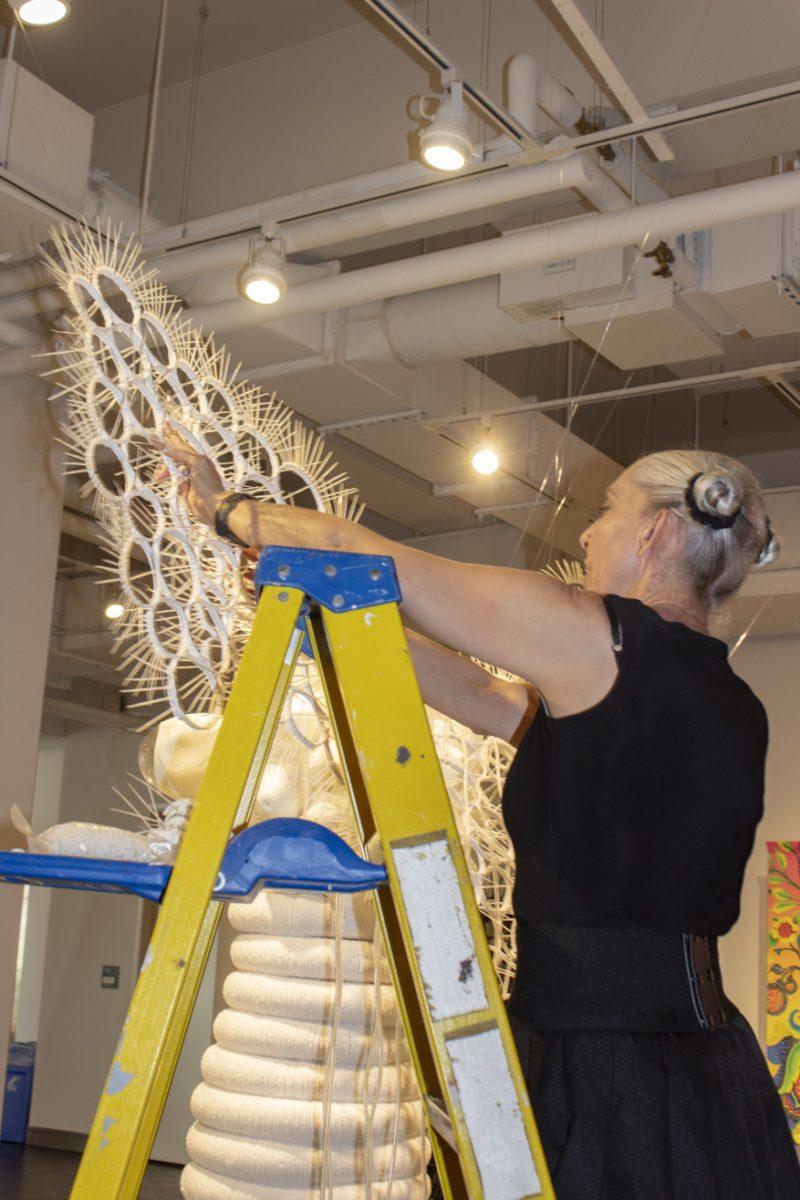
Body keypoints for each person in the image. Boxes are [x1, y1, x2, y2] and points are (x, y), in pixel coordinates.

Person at [159, 432, 800, 1199]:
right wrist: (330, 617)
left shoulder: (600, 635)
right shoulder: (730, 700)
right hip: (705, 1064)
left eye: (607, 511)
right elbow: (482, 698)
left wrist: (221, 507)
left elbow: (356, 549)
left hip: (590, 1067)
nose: (590, 533)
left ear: (657, 531)